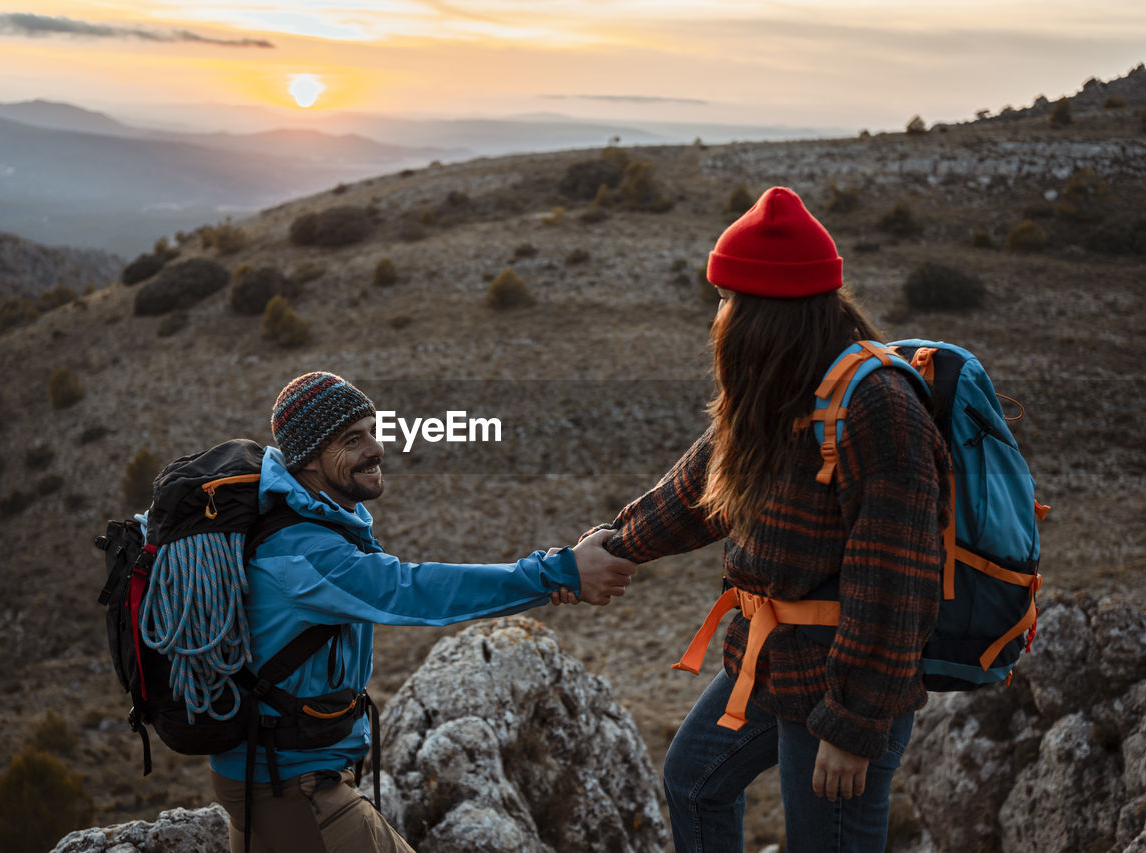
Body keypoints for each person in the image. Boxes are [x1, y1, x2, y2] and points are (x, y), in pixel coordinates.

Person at [572, 187, 952, 852]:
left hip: (842, 683)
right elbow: (700, 490)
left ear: (767, 314)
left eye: (728, 300)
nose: (719, 315)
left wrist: (853, 724)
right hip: (770, 661)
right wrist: (615, 544)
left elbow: (896, 581)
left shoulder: (878, 409)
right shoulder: (777, 390)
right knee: (693, 779)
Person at [209, 371, 637, 853]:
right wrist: (559, 572)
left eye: (374, 430)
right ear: (308, 458)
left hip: (263, 771)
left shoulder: (304, 521)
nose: (376, 448)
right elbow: (414, 591)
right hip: (290, 785)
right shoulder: (304, 552)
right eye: (353, 439)